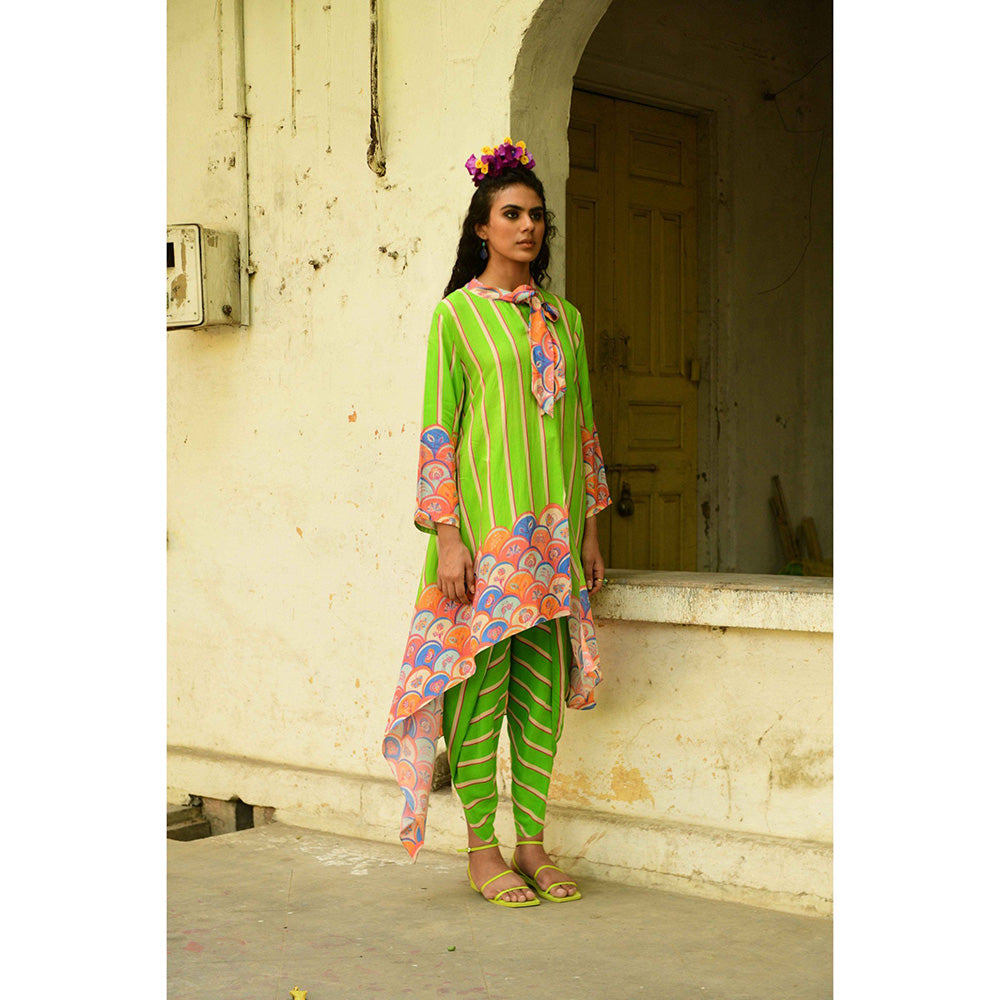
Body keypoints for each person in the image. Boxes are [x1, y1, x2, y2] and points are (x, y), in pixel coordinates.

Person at [382, 138, 611, 907]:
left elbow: (583, 427)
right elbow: (438, 431)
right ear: (482, 227)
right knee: (477, 698)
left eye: (536, 216)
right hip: (484, 542)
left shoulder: (566, 321)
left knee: (540, 699)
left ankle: (532, 845)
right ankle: (482, 850)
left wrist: (590, 530)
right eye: (511, 214)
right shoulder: (457, 318)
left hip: (552, 542)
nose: (527, 227)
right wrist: (447, 536)